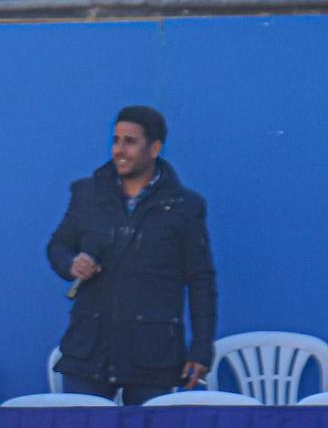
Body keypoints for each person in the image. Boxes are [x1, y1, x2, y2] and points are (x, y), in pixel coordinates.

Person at [47, 105, 218, 405]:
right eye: (116, 140)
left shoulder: (184, 205)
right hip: (90, 348)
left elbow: (201, 280)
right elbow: (57, 246)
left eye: (130, 141)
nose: (119, 150)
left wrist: (201, 349)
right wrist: (71, 264)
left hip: (152, 352)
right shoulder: (88, 193)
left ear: (155, 148)